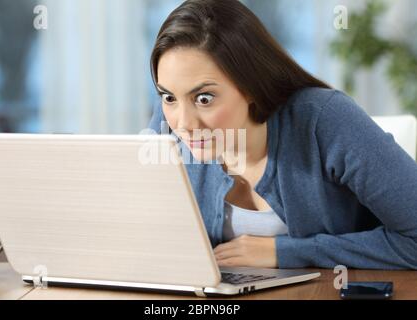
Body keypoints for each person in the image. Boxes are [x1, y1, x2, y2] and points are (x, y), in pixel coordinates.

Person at [147, 0, 417, 270]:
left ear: (250, 85)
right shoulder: (169, 128)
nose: (183, 124)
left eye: (204, 98)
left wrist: (289, 252)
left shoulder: (325, 119)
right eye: (168, 97)